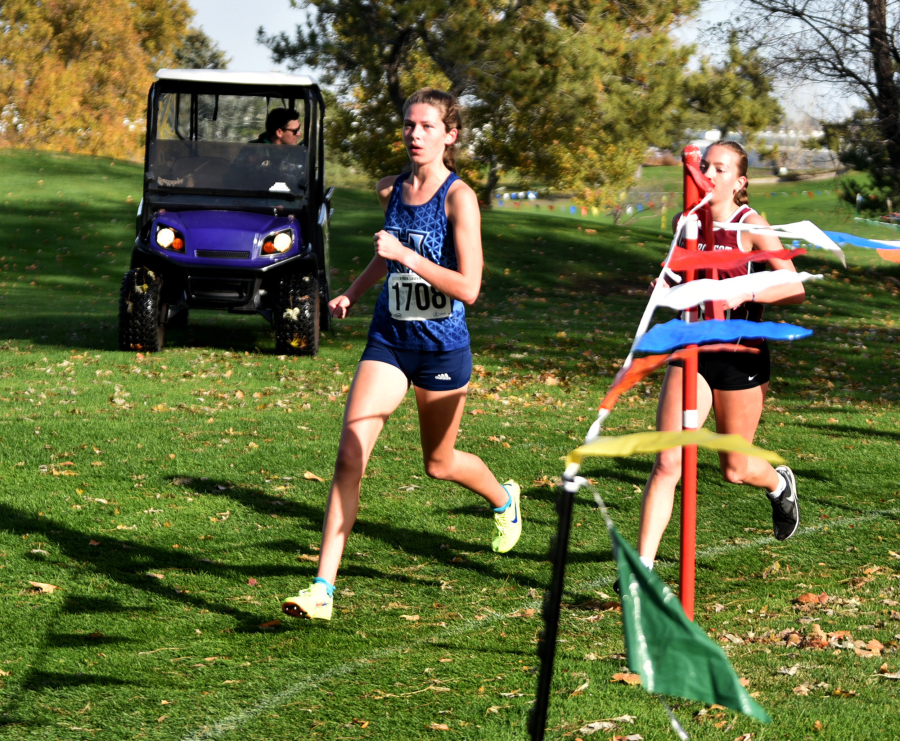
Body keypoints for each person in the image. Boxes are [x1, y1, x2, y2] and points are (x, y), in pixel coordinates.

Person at [282, 88, 522, 621]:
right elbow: (385, 257)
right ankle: (322, 589)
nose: (415, 134)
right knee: (350, 451)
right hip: (390, 340)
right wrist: (353, 292)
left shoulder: (460, 198)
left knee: (439, 463)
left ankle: (504, 499)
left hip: (442, 347)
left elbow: (470, 287)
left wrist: (406, 255)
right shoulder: (391, 189)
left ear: (450, 135)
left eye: (427, 126)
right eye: (410, 125)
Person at [636, 141, 803, 577]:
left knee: (735, 468)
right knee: (668, 459)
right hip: (691, 348)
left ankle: (778, 482)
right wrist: (666, 286)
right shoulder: (687, 222)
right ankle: (642, 570)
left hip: (739, 353)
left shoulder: (752, 226)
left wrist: (743, 291)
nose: (708, 174)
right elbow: (679, 273)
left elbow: (793, 286)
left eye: (720, 168)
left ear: (739, 180)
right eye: (703, 166)